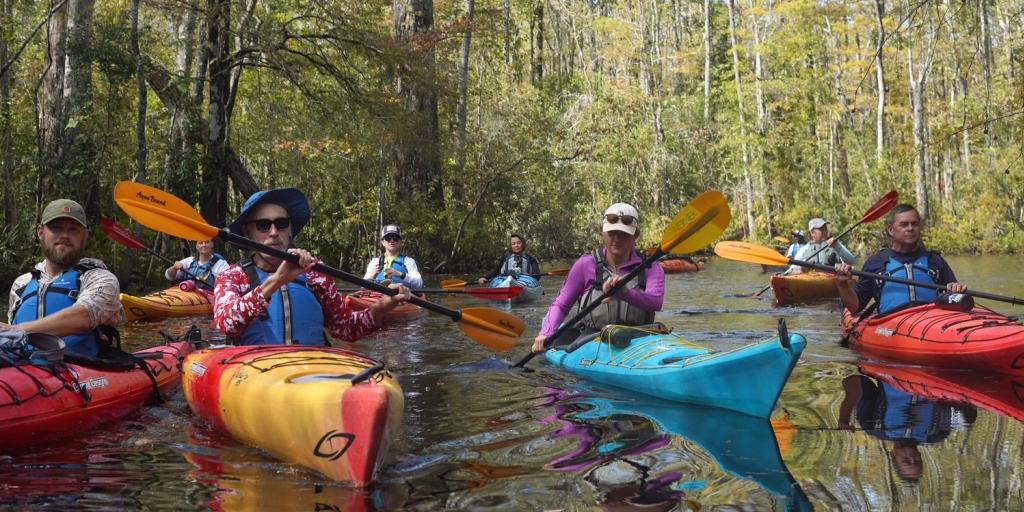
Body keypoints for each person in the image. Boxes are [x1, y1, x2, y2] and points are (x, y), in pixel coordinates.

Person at [213, 188, 412, 345]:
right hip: (257, 373)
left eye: (281, 224)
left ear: (290, 229)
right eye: (263, 226)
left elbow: (347, 328)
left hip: (312, 369)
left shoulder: (316, 273)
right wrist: (277, 280)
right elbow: (227, 324)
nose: (273, 232)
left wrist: (384, 305)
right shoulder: (232, 276)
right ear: (248, 232)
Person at [531, 202, 664, 353]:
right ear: (602, 232)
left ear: (636, 236)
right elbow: (561, 306)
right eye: (611, 232)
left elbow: (655, 302)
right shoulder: (585, 264)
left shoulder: (651, 267)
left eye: (624, 234)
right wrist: (545, 333)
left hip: (639, 339)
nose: (616, 238)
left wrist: (625, 294)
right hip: (592, 339)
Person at [5, 199, 122, 357]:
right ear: (41, 233)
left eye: (73, 230)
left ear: (85, 236)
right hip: (23, 370)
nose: (65, 235)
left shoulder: (100, 278)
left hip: (81, 372)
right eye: (56, 228)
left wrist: (13, 331)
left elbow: (84, 316)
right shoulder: (21, 283)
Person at [835, 204, 966, 315]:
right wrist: (842, 285)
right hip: (891, 326)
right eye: (904, 224)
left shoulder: (935, 261)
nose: (910, 228)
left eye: (914, 224)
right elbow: (855, 307)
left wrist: (957, 290)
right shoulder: (875, 263)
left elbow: (956, 299)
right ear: (891, 230)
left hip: (931, 322)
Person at [362, 224, 424, 289]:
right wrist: (372, 276)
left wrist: (401, 274)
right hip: (378, 296)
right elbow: (363, 287)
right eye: (388, 238)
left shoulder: (409, 261)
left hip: (401, 294)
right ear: (383, 242)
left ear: (400, 242)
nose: (392, 241)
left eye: (395, 238)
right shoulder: (375, 261)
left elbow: (419, 284)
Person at [787, 218, 856, 274]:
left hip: (833, 281)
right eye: (821, 229)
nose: (825, 231)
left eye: (825, 229)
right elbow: (792, 269)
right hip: (812, 282)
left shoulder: (835, 244)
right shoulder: (804, 250)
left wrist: (837, 246)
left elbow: (852, 262)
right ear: (812, 232)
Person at [164, 240, 229, 290]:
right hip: (185, 294)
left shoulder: (221, 264)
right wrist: (174, 268)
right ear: (197, 247)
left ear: (212, 244)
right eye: (201, 243)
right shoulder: (189, 261)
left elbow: (228, 286)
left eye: (207, 242)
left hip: (207, 299)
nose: (204, 245)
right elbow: (169, 276)